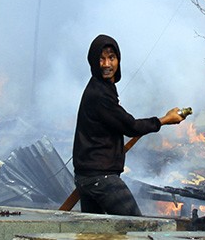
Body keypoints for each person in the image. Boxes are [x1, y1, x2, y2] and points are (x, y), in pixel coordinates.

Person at [72, 34, 186, 216]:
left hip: (88, 176)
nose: (107, 64)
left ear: (118, 60)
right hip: (100, 178)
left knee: (95, 233)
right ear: (93, 62)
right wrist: (165, 120)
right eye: (101, 59)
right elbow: (130, 126)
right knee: (136, 227)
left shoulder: (102, 87)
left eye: (111, 58)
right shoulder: (100, 94)